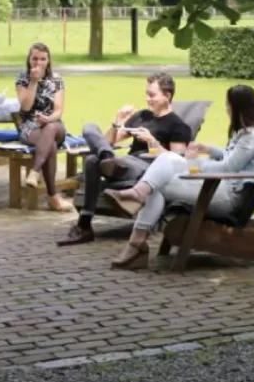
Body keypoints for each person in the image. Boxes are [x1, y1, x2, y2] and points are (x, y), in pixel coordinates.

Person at [105, 84, 254, 270]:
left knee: (158, 185)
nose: (227, 109)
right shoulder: (245, 132)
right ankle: (137, 201)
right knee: (167, 159)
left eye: (229, 105)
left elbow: (228, 167)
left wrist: (196, 165)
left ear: (239, 108)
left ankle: (136, 239)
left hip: (229, 196)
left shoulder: (251, 137)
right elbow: (231, 157)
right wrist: (208, 149)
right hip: (220, 187)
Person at [57, 72, 192, 246]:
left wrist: (152, 141)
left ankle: (83, 225)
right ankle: (107, 161)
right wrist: (117, 121)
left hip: (145, 169)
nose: (147, 99)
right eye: (146, 94)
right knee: (89, 129)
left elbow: (176, 161)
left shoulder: (178, 126)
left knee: (92, 161)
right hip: (122, 163)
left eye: (152, 95)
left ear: (167, 96)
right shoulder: (142, 116)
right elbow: (107, 142)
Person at [16, 42, 72, 212]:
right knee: (51, 146)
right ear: (29, 60)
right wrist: (33, 82)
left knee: (51, 128)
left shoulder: (56, 79)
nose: (38, 63)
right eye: (35, 59)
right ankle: (53, 197)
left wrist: (48, 119)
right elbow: (25, 107)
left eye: (42, 59)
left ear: (48, 61)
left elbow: (58, 111)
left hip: (54, 125)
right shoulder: (22, 79)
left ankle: (35, 171)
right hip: (30, 127)